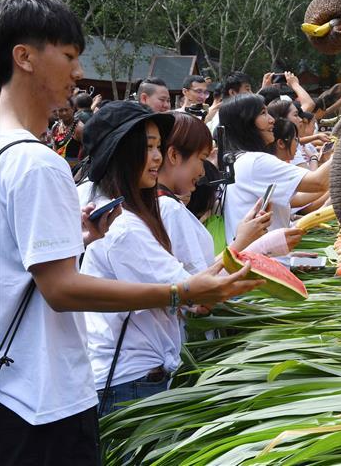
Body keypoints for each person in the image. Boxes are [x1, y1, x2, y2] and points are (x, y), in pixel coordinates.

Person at [0, 0, 261, 465]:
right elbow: (59, 290)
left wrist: (77, 243)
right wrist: (177, 292)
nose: (78, 73)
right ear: (25, 57)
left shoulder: (5, 151)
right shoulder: (38, 163)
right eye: (70, 56)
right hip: (43, 396)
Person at [78, 101, 267, 415]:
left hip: (137, 375)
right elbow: (192, 292)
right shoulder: (124, 227)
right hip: (130, 381)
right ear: (122, 153)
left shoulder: (131, 214)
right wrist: (245, 247)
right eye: (148, 147)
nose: (157, 157)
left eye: (159, 146)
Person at [156, 112, 276, 274]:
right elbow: (199, 284)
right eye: (202, 159)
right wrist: (242, 240)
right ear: (174, 155)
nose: (202, 172)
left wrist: (243, 237)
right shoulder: (170, 209)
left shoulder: (163, 204)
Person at [217, 94, 331, 243]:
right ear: (245, 123)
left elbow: (299, 197)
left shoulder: (241, 160)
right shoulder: (256, 162)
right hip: (262, 261)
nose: (272, 120)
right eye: (263, 113)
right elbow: (318, 182)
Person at [49, 96, 83, 168]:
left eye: (66, 110)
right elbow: (54, 149)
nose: (64, 113)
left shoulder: (79, 128)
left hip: (75, 170)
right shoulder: (55, 127)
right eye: (61, 110)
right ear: (56, 111)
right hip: (59, 167)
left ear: (73, 109)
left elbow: (87, 153)